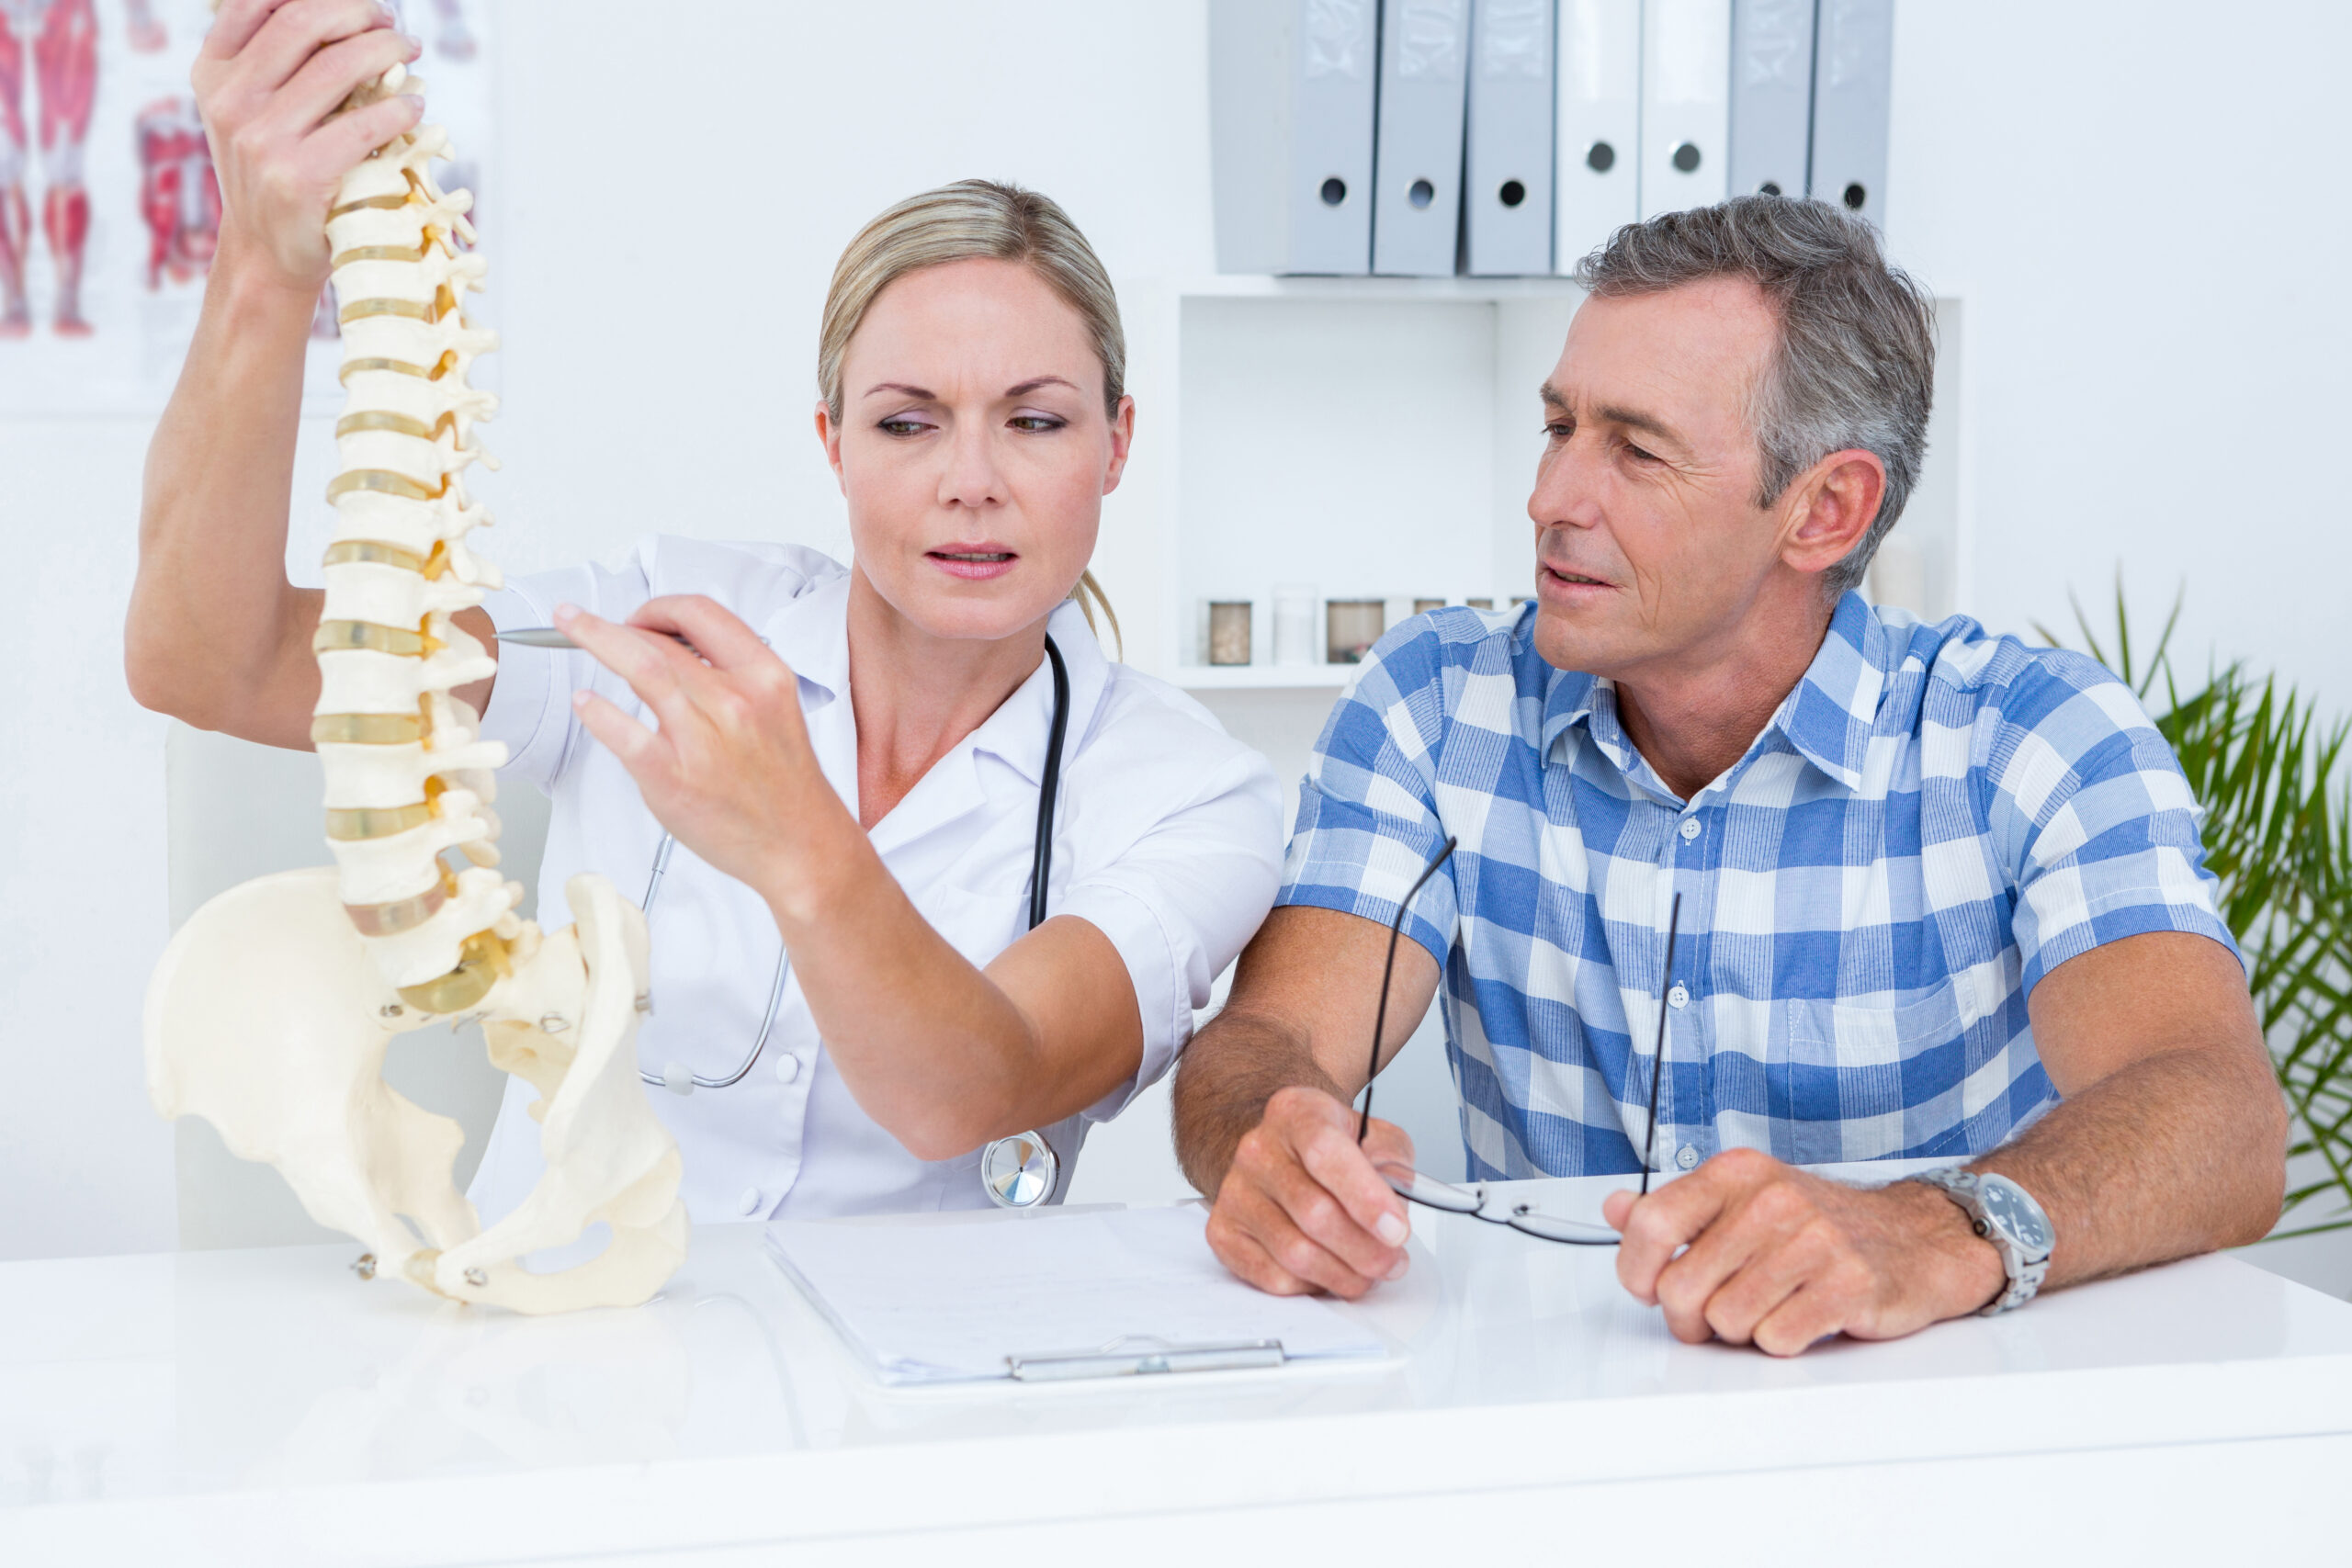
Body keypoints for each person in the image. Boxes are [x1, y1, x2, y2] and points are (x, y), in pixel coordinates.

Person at [127, 0, 1282, 1223]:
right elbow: (217, 663)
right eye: (906, 420)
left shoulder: (1192, 792)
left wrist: (792, 831)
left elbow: (968, 1091)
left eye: (1037, 419)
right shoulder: (660, 622)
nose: (971, 479)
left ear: (1117, 445)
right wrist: (263, 269)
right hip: (558, 1370)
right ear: (832, 446)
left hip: (900, 1398)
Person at [1173, 195, 2287, 1355]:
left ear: (1825, 510)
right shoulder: (1435, 702)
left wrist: (1922, 1232)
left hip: (1929, 1429)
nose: (1550, 499)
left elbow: (2218, 1116)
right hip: (1555, 1418)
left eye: (1637, 450)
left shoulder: (2032, 738)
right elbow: (1268, 1039)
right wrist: (1265, 1141)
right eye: (1559, 428)